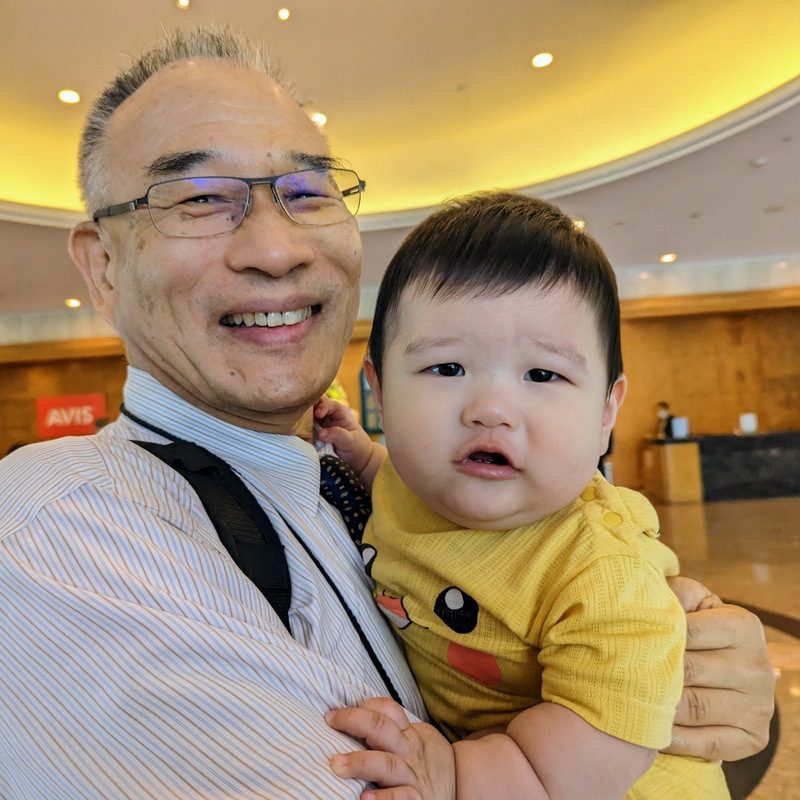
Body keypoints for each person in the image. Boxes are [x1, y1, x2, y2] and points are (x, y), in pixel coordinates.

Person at [0, 24, 773, 800]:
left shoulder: (373, 479)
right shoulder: (59, 530)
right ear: (103, 267)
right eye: (200, 197)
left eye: (308, 192)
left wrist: (688, 662)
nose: (277, 248)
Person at [318, 192, 730, 798]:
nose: (492, 409)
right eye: (447, 368)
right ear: (379, 391)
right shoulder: (416, 483)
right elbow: (397, 487)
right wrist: (359, 452)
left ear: (606, 411)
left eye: (542, 374)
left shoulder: (600, 573)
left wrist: (451, 777)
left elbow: (594, 750)